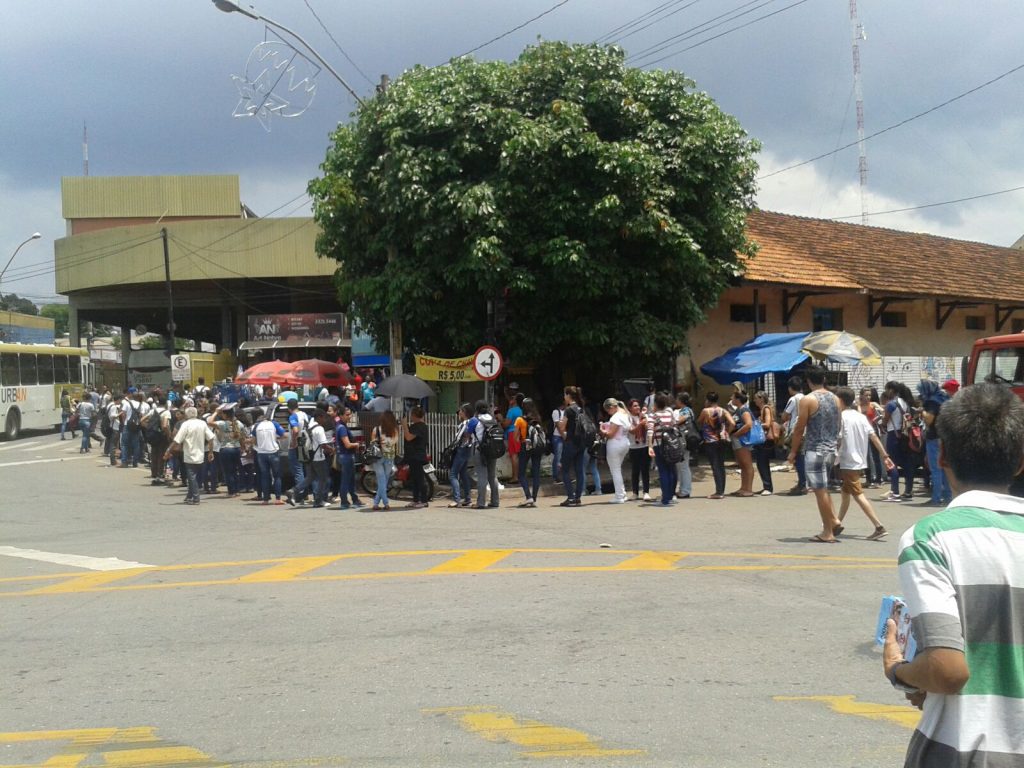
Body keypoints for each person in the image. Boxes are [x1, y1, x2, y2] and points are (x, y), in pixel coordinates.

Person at [882, 382, 1024, 767]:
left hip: (965, 747)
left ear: (941, 455)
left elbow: (947, 670)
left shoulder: (932, 538)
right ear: (1019, 461)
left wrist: (901, 670)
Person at [787, 366, 843, 543]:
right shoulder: (835, 399)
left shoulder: (808, 400)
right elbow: (838, 424)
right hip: (831, 449)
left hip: (815, 449)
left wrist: (793, 451)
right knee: (824, 489)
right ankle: (830, 525)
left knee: (819, 491)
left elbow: (799, 428)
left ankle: (830, 526)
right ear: (824, 379)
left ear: (809, 381)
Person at [835, 387, 893, 540]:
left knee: (858, 495)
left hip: (848, 461)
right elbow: (874, 437)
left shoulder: (841, 417)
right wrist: (885, 455)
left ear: (840, 400)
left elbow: (839, 440)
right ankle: (836, 522)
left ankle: (878, 526)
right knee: (845, 493)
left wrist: (833, 457)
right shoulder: (860, 417)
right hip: (859, 461)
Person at [165, 406, 214, 505]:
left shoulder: (186, 424)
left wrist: (168, 450)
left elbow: (177, 439)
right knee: (194, 476)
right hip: (200, 453)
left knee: (191, 477)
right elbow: (211, 438)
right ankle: (189, 496)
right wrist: (210, 452)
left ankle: (196, 498)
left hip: (189, 454)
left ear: (186, 415)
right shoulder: (202, 423)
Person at [881, 380, 917, 502]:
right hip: (905, 436)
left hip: (893, 435)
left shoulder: (891, 404)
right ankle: (908, 490)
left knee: (892, 463)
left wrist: (883, 424)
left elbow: (885, 421)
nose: (886, 392)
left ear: (891, 390)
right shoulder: (905, 403)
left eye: (887, 389)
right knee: (907, 463)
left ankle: (895, 491)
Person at [918, 379, 952, 507]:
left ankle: (936, 498)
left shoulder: (932, 401)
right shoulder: (944, 397)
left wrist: (922, 411)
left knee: (936, 469)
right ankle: (948, 496)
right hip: (944, 436)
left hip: (934, 437)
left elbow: (929, 420)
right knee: (944, 468)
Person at [697, 392, 734, 499]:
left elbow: (699, 421)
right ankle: (721, 490)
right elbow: (732, 423)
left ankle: (718, 492)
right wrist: (727, 432)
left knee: (715, 466)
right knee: (721, 465)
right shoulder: (723, 410)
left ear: (708, 400)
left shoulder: (705, 411)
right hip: (721, 440)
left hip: (710, 441)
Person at [557, 387, 588, 507]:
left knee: (564, 470)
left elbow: (562, 427)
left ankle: (570, 497)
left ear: (569, 395)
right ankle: (578, 498)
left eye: (565, 395)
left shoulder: (568, 410)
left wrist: (562, 431)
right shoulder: (581, 408)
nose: (564, 397)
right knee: (579, 470)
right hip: (581, 443)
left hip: (571, 443)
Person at [646, 393, 678, 506]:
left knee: (663, 471)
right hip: (671, 445)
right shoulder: (670, 414)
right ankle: (670, 496)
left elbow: (650, 431)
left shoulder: (653, 416)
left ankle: (665, 499)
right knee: (671, 471)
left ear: (655, 403)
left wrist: (650, 446)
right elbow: (674, 427)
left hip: (659, 446)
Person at [210, 404, 246, 498]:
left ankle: (231, 491)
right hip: (236, 449)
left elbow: (209, 422)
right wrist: (243, 448)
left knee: (228, 471)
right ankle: (237, 490)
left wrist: (216, 412)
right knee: (235, 470)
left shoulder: (223, 423)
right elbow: (242, 438)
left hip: (225, 449)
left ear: (225, 415)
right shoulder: (239, 423)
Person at [600, 398, 631, 503]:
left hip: (615, 443)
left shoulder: (616, 417)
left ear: (612, 407)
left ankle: (619, 496)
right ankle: (622, 493)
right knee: (618, 469)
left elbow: (610, 434)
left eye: (608, 410)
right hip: (625, 442)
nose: (608, 413)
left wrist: (602, 430)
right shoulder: (626, 415)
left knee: (615, 470)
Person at [515, 398, 545, 507]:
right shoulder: (538, 418)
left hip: (525, 445)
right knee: (536, 472)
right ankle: (534, 498)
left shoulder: (520, 420)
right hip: (537, 446)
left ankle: (528, 497)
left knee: (521, 473)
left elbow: (515, 437)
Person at [252, 410, 285, 505]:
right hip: (273, 452)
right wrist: (276, 438)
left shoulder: (257, 426)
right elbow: (283, 434)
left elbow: (253, 440)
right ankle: (278, 499)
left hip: (261, 454)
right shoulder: (274, 424)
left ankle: (265, 499)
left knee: (265, 476)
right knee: (277, 476)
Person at [472, 400, 501, 508]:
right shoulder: (492, 419)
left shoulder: (475, 420)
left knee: (482, 477)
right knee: (492, 476)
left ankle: (480, 503)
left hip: (480, 450)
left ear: (476, 409)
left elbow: (467, 433)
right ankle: (495, 501)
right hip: (492, 450)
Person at [781, 376, 807, 495]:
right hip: (806, 431)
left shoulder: (793, 399)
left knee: (797, 458)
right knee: (802, 457)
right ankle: (803, 483)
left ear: (791, 388)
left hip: (795, 431)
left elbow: (784, 416)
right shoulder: (806, 398)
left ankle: (802, 484)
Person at [370, 410, 399, 511]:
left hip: (377, 457)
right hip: (389, 457)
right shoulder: (395, 430)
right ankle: (385, 503)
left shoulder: (376, 429)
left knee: (382, 480)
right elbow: (394, 442)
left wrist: (379, 441)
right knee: (384, 481)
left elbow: (372, 443)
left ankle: (376, 503)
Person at [402, 406, 430, 509]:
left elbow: (409, 437)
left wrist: (404, 425)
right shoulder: (418, 426)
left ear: (414, 415)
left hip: (417, 456)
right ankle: (415, 499)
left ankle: (423, 500)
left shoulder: (420, 427)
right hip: (413, 456)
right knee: (414, 479)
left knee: (419, 479)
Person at [729, 391, 756, 497]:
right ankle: (743, 487)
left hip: (743, 440)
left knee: (747, 464)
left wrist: (736, 434)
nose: (731, 398)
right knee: (742, 464)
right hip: (739, 440)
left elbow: (748, 424)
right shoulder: (738, 410)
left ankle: (748, 489)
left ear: (738, 399)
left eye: (733, 397)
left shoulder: (744, 410)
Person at [448, 404, 474, 508]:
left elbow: (458, 438)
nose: (459, 413)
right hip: (467, 449)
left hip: (462, 449)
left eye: (461, 411)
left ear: (465, 412)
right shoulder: (471, 422)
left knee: (453, 475)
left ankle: (456, 499)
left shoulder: (465, 423)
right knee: (463, 474)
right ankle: (467, 498)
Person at [859, 387, 885, 488]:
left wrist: (876, 418)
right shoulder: (859, 405)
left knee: (875, 455)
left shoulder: (873, 404)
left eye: (869, 395)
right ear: (861, 395)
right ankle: (869, 479)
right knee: (865, 455)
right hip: (863, 432)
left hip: (873, 431)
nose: (868, 397)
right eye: (866, 395)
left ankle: (878, 479)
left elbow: (883, 412)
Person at [285, 399, 310, 503]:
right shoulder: (305, 415)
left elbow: (295, 430)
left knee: (297, 470)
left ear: (288, 408)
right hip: (305, 444)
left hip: (296, 446)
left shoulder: (293, 416)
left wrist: (294, 442)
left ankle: (300, 494)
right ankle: (305, 493)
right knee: (304, 469)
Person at [626, 399, 651, 501]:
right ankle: (635, 493)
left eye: (638, 405)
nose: (638, 408)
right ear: (630, 408)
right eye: (635, 406)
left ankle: (646, 492)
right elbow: (632, 431)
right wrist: (641, 424)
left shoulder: (645, 416)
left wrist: (645, 423)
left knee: (645, 470)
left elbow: (649, 428)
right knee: (635, 470)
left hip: (644, 446)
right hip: (633, 447)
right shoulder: (628, 418)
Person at [752, 391, 775, 496]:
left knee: (763, 463)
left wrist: (756, 425)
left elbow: (767, 423)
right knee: (761, 464)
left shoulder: (766, 409)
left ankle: (768, 487)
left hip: (765, 441)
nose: (755, 400)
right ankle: (766, 486)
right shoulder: (762, 410)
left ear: (761, 399)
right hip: (762, 440)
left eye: (756, 398)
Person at [673, 393, 695, 499]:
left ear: (681, 400)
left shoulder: (686, 410)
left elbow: (680, 420)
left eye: (677, 399)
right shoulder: (684, 410)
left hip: (684, 441)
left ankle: (685, 490)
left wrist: (672, 422)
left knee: (684, 466)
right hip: (682, 440)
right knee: (681, 466)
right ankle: (682, 489)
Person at [146, 396, 172, 483]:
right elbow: (165, 425)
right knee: (162, 454)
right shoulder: (166, 412)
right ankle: (160, 473)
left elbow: (142, 420)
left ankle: (154, 472)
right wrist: (168, 435)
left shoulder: (152, 411)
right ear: (165, 403)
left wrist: (150, 429)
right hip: (162, 436)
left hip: (153, 435)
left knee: (154, 453)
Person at [504, 392, 524, 490]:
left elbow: (506, 424)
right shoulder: (521, 410)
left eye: (512, 397)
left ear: (515, 401)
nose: (510, 399)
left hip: (512, 433)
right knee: (518, 454)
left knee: (514, 455)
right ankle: (519, 475)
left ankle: (515, 476)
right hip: (520, 433)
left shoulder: (511, 411)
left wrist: (500, 420)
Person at [550, 402, 565, 484]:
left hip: (564, 437)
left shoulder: (566, 411)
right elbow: (558, 426)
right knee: (558, 457)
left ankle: (563, 476)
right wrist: (563, 435)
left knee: (563, 457)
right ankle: (556, 477)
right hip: (558, 437)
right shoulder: (556, 412)